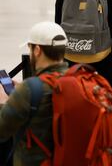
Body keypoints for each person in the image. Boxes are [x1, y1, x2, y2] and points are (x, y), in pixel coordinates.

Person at [0, 22, 68, 165]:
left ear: (37, 50)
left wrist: (4, 103)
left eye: (30, 48)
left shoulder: (29, 91)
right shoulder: (76, 81)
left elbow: (2, 129)